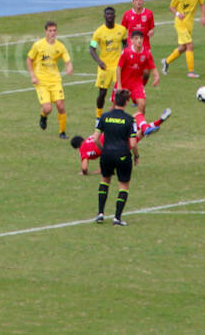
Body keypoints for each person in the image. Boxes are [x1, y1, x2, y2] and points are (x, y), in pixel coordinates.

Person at [72, 108, 171, 175]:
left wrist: (85, 173)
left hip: (118, 147)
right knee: (137, 115)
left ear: (77, 147)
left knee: (140, 134)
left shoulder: (83, 149)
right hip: (116, 133)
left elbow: (84, 167)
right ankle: (156, 122)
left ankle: (146, 129)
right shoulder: (91, 138)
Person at [91, 89, 139, 226]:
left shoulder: (104, 117)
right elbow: (133, 143)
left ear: (114, 101)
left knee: (105, 181)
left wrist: (104, 150)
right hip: (123, 155)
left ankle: (100, 214)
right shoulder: (130, 120)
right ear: (127, 102)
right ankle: (117, 218)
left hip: (106, 154)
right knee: (123, 185)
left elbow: (95, 139)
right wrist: (136, 156)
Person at [27, 20, 73, 139]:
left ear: (56, 32)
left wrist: (69, 66)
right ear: (46, 32)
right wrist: (32, 75)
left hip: (55, 81)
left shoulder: (60, 46)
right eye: (50, 31)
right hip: (41, 81)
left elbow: (67, 60)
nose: (52, 33)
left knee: (60, 106)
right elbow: (29, 60)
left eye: (54, 31)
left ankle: (62, 132)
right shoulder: (38, 45)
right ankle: (43, 115)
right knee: (48, 108)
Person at [162, 0, 205, 79]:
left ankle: (167, 61)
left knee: (183, 48)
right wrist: (178, 14)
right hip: (180, 24)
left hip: (189, 24)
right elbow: (172, 7)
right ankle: (191, 72)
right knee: (190, 45)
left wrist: (203, 16)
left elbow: (202, 4)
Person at [89, 7, 128, 120]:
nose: (110, 16)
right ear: (104, 16)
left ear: (115, 16)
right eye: (107, 14)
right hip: (104, 67)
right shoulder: (98, 32)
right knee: (102, 93)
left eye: (111, 14)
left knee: (120, 92)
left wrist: (124, 56)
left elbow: (125, 44)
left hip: (117, 67)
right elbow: (92, 48)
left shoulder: (122, 30)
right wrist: (99, 61)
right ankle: (98, 115)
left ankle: (117, 113)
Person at [115, 30, 159, 116]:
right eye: (136, 38)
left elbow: (152, 67)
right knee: (115, 108)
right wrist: (119, 85)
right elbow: (118, 68)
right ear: (131, 40)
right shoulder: (126, 52)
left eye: (141, 38)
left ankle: (139, 127)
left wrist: (156, 76)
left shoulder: (146, 53)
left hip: (137, 83)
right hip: (124, 82)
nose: (139, 40)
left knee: (142, 104)